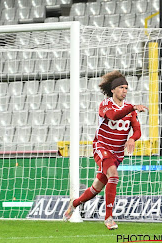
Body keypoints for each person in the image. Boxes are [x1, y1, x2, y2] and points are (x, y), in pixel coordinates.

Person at [63, 70, 148, 230]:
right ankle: (109, 217)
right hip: (102, 147)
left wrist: (132, 138)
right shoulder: (105, 105)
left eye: (126, 88)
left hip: (117, 153)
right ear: (113, 90)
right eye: (121, 87)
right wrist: (132, 108)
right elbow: (114, 116)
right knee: (113, 176)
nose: (125, 91)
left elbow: (137, 131)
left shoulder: (130, 110)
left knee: (96, 187)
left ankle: (74, 204)